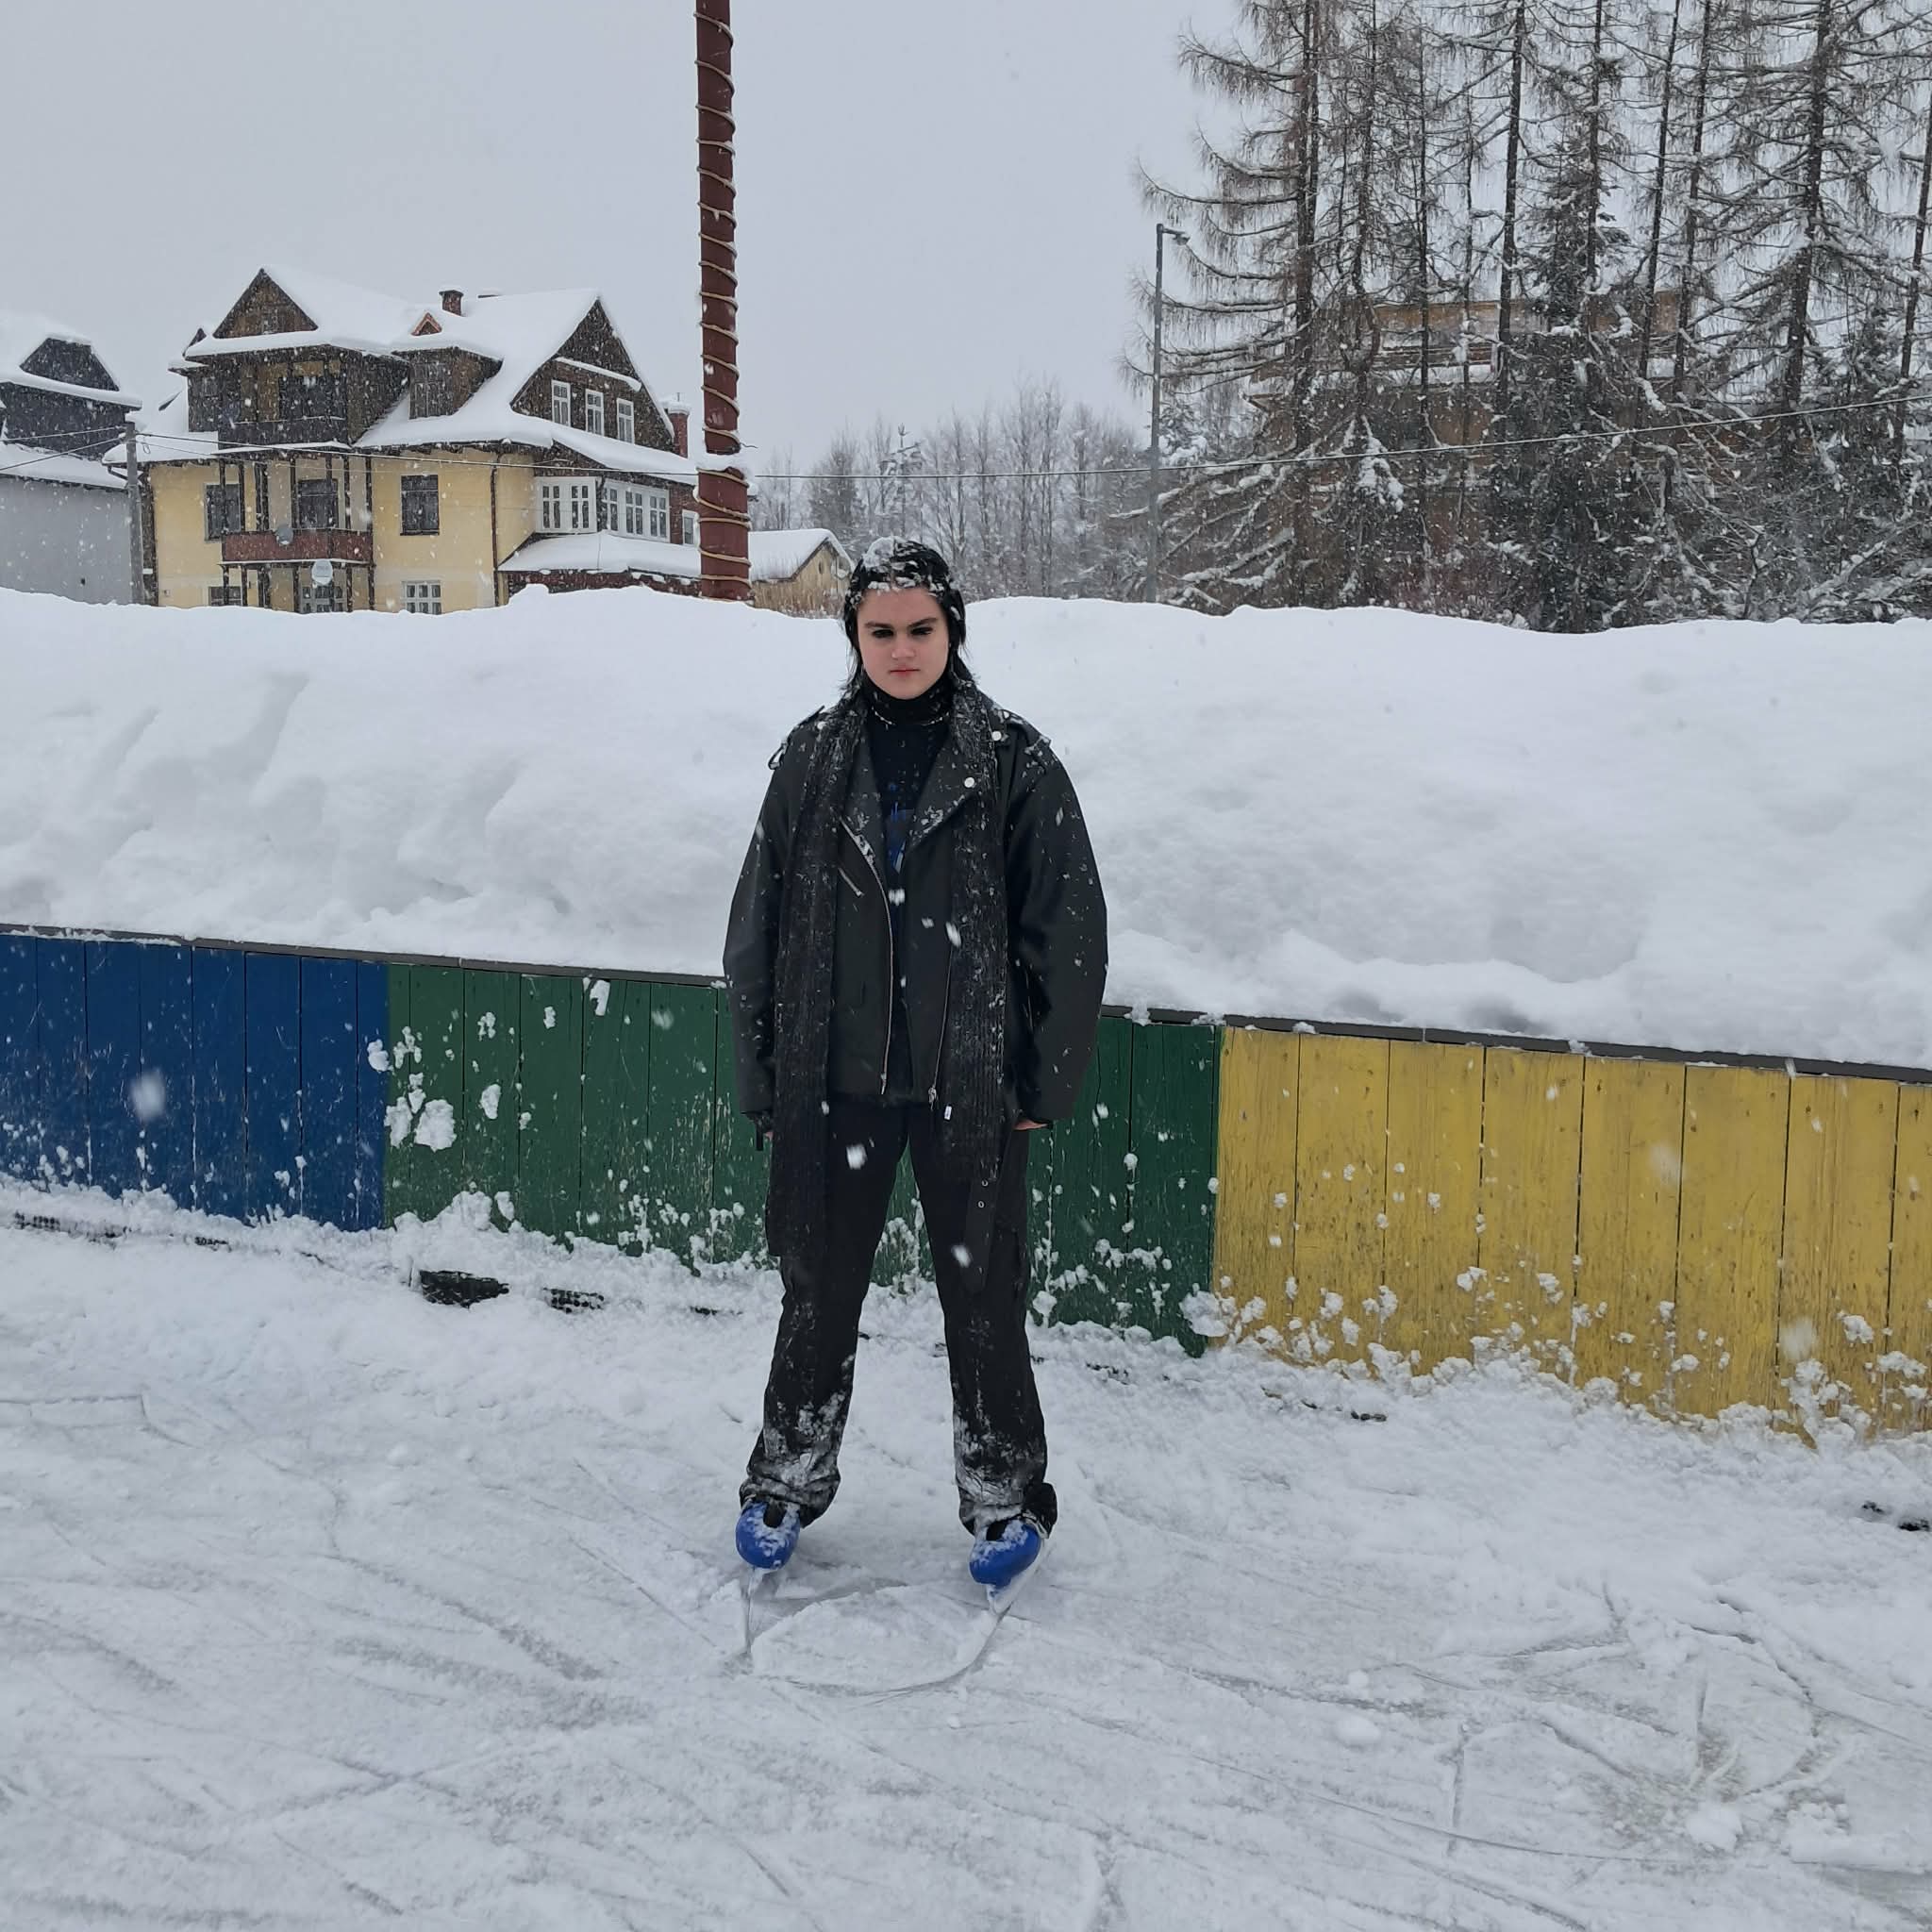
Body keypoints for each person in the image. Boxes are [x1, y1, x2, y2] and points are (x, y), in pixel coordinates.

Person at [723, 539, 1108, 1591]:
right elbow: (756, 932)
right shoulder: (811, 760)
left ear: (952, 631)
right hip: (831, 1085)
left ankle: (1004, 1496)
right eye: (880, 630)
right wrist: (766, 1078)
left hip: (969, 1088)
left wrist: (1041, 1083)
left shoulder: (1014, 762)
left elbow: (1067, 934)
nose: (901, 649)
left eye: (920, 629)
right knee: (817, 1293)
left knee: (982, 1300)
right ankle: (785, 1476)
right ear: (854, 636)